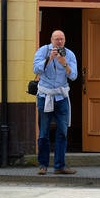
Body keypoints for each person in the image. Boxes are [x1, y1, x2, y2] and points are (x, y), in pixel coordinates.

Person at [32, 29, 78, 175]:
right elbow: (35, 69)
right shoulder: (42, 51)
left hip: (61, 97)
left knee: (62, 132)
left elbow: (74, 76)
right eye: (56, 39)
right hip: (45, 96)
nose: (59, 42)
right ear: (51, 40)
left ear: (64, 40)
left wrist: (64, 64)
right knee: (44, 133)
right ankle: (43, 165)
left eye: (62, 39)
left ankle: (59, 166)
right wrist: (49, 59)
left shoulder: (69, 54)